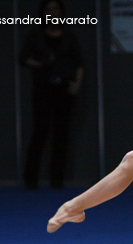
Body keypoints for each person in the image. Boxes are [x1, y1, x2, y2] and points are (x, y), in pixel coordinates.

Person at [20, 0, 84, 189]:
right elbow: (23, 58)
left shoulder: (68, 36)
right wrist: (40, 64)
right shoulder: (36, 35)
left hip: (63, 89)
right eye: (48, 9)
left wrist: (76, 84)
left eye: (55, 9)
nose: (52, 12)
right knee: (40, 131)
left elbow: (79, 63)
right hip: (43, 88)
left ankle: (57, 180)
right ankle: (30, 180)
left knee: (61, 134)